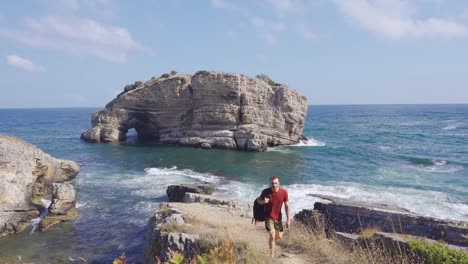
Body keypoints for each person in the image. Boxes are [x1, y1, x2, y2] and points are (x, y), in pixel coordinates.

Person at [256, 176, 290, 258]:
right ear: (270, 183)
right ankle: (271, 255)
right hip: (268, 217)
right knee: (272, 235)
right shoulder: (265, 192)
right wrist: (263, 201)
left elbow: (287, 206)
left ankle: (272, 243)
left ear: (279, 183)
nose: (274, 185)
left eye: (276, 183)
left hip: (278, 217)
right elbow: (258, 200)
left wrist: (288, 220)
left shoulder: (284, 192)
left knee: (279, 237)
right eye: (272, 183)